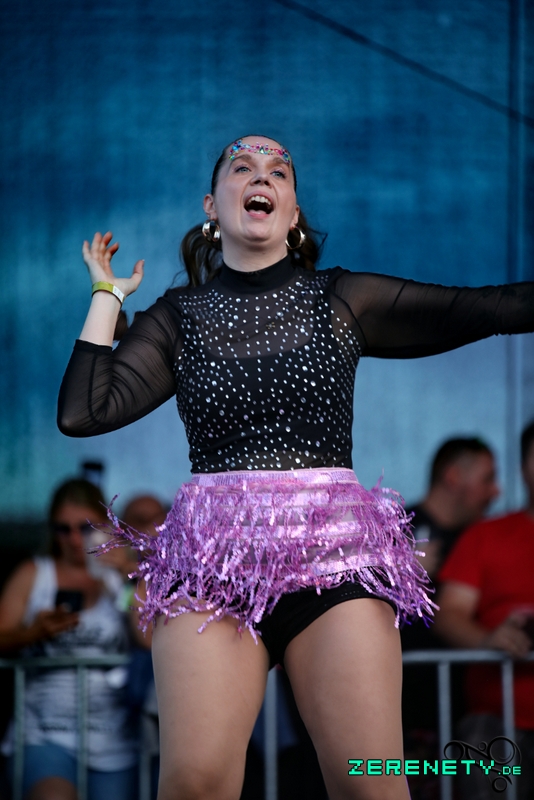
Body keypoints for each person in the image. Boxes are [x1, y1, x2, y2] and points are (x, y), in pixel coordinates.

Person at [57, 134, 534, 800]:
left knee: (371, 785)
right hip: (212, 568)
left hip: (334, 561)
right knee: (195, 784)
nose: (262, 176)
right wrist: (108, 295)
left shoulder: (342, 299)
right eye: (243, 167)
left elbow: (488, 308)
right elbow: (83, 412)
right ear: (212, 205)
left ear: (293, 210)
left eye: (278, 172)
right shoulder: (178, 318)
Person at [0, 479, 138, 800]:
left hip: (114, 740)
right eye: (63, 529)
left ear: (106, 526)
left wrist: (129, 574)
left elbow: (148, 636)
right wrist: (34, 632)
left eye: (86, 528)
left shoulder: (121, 578)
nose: (75, 539)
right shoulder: (34, 573)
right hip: (44, 735)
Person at [435, 421, 534, 800]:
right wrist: (489, 640)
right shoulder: (485, 535)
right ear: (524, 465)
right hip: (496, 720)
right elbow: (448, 613)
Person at [401, 438, 499, 800]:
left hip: (464, 713)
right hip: (400, 714)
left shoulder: (482, 538)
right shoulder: (392, 530)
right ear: (454, 476)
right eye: (487, 479)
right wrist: (400, 572)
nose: (497, 491)